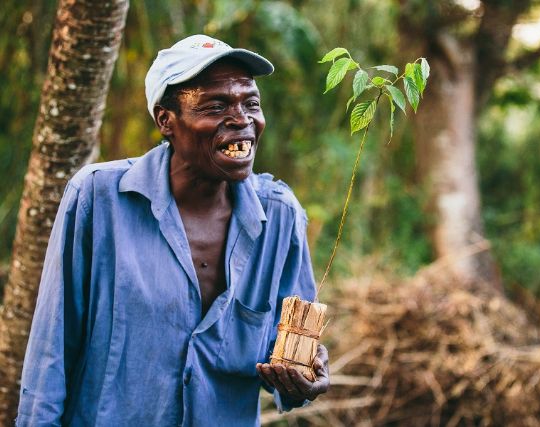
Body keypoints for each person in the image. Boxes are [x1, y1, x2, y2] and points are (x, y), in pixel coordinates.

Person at [17, 34, 330, 426]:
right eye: (216, 105)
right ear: (166, 120)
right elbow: (51, 351)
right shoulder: (98, 199)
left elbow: (285, 362)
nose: (242, 119)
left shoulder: (281, 217)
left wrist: (303, 376)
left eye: (250, 103)